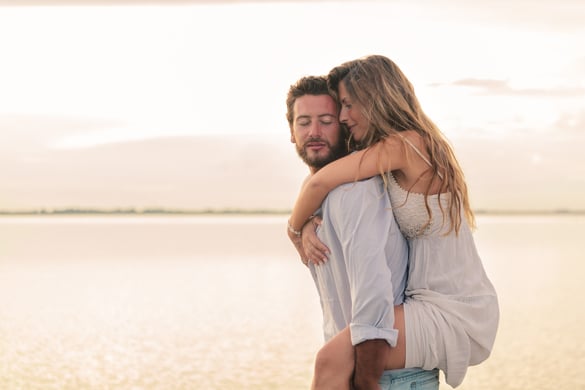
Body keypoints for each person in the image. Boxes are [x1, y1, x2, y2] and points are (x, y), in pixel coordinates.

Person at [287, 55, 500, 389]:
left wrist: (294, 230)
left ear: (374, 99)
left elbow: (319, 183)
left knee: (331, 360)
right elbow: (321, 182)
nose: (344, 117)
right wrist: (313, 219)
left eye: (348, 105)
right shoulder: (394, 152)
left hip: (451, 305)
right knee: (336, 360)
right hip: (422, 301)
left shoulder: (407, 144)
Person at [286, 75, 439, 390]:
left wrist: (365, 382)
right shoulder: (319, 199)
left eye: (326, 121)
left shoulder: (354, 192)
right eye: (303, 122)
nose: (313, 132)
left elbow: (374, 293)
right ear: (291, 132)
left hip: (383, 375)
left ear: (343, 125)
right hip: (361, 367)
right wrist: (300, 223)